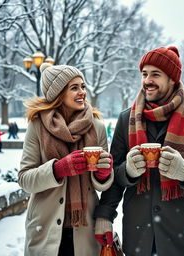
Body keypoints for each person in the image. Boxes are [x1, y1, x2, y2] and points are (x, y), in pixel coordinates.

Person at [94, 46, 184, 256]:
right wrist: (106, 213)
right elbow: (114, 178)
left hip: (180, 236)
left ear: (172, 79)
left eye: (156, 74)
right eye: (144, 74)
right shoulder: (126, 119)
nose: (147, 80)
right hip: (138, 236)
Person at [18, 63, 114, 256]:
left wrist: (103, 175)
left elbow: (102, 185)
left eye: (83, 86)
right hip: (46, 229)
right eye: (74, 88)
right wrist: (58, 169)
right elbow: (25, 180)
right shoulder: (37, 126)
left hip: (85, 229)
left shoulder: (97, 127)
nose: (82, 93)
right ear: (58, 93)